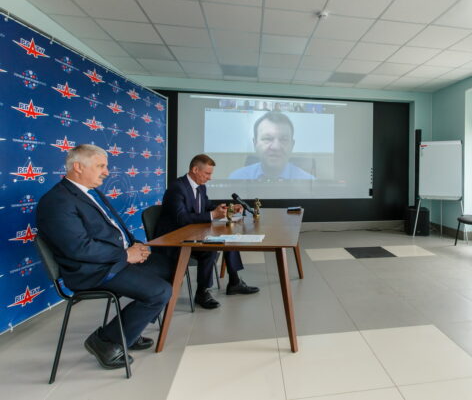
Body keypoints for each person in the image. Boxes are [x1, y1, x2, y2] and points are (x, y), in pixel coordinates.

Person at [36, 145, 171, 370]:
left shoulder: (91, 192)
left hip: (112, 261)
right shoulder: (56, 201)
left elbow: (114, 228)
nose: (107, 172)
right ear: (78, 167)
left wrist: (134, 244)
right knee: (160, 291)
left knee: (169, 267)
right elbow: (79, 249)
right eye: (101, 166)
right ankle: (106, 342)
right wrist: (125, 255)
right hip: (91, 271)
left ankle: (130, 328)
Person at [156, 154, 259, 309]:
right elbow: (181, 218)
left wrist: (229, 208)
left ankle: (234, 282)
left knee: (228, 238)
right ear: (195, 170)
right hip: (174, 239)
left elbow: (207, 206)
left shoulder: (201, 186)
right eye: (207, 173)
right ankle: (202, 292)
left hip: (192, 233)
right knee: (209, 249)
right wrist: (212, 215)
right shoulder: (176, 188)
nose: (210, 178)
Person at [228, 112, 315, 180]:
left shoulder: (309, 182)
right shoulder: (236, 178)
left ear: (292, 145)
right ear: (255, 143)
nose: (275, 147)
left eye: (283, 139)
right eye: (267, 139)